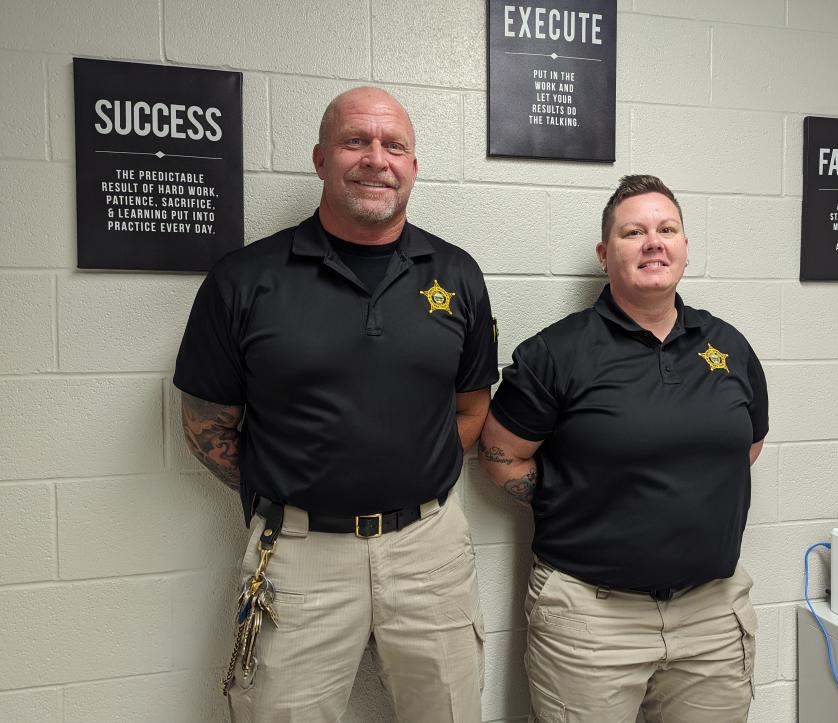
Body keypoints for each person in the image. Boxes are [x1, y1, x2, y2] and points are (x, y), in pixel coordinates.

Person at [174, 86, 497, 722]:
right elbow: (205, 424)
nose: (376, 158)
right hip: (298, 558)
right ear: (321, 158)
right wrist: (301, 487)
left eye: (394, 145)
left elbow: (471, 407)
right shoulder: (245, 280)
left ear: (413, 165)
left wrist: (405, 473)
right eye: (356, 141)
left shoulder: (457, 275)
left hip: (429, 551)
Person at [478, 174, 768, 723]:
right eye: (634, 232)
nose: (654, 242)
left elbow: (748, 446)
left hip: (712, 616)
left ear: (684, 246)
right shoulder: (555, 353)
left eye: (667, 229)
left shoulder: (729, 347)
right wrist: (579, 493)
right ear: (605, 254)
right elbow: (499, 456)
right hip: (591, 621)